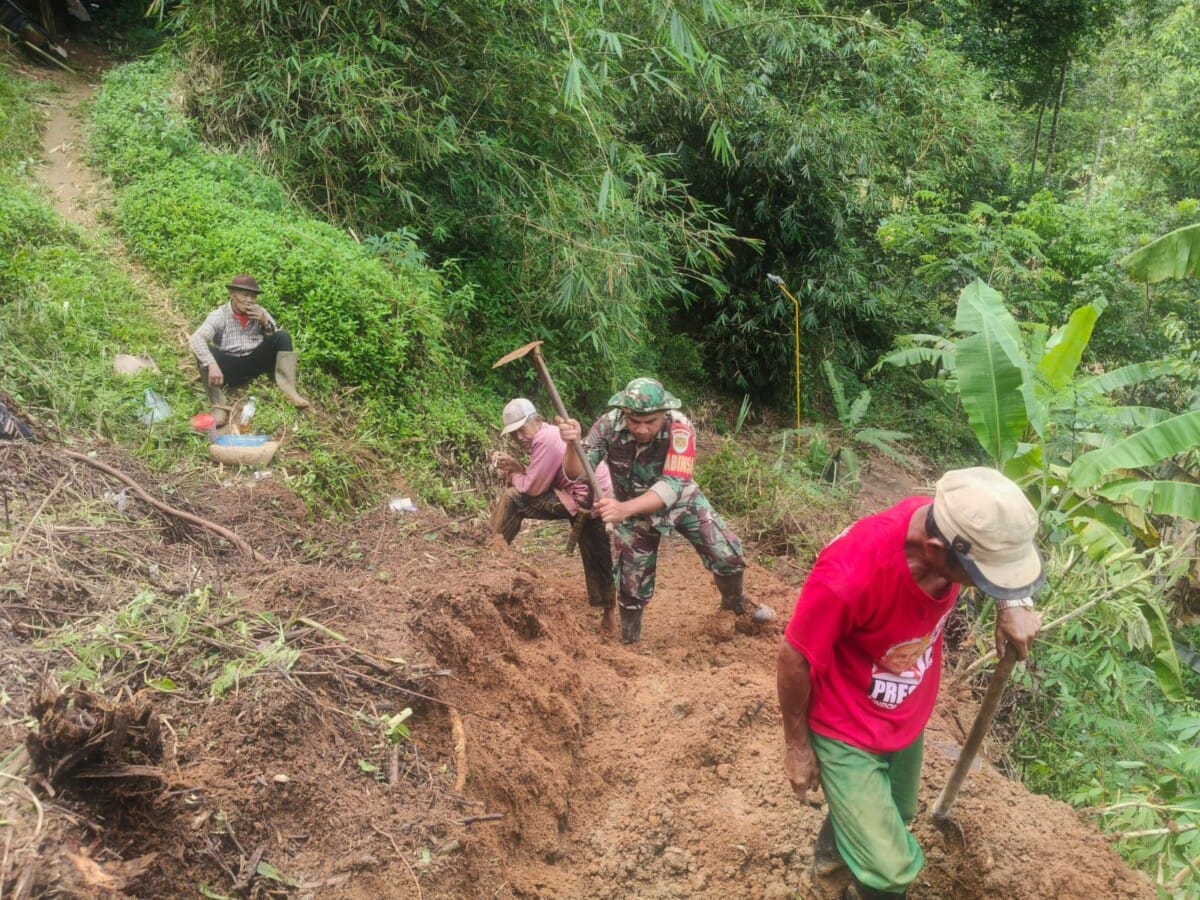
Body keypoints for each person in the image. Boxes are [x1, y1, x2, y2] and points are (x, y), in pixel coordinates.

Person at [776, 467, 1045, 900]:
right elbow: (793, 656)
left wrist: (1014, 600)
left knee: (897, 813)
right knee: (890, 871)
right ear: (936, 549)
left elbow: (998, 542)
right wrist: (797, 746)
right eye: (982, 577)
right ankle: (836, 879)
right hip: (844, 722)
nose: (983, 586)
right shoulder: (849, 575)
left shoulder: (947, 521)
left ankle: (833, 853)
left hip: (904, 711)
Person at [557, 377, 772, 645]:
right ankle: (630, 642)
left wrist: (622, 509)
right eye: (635, 421)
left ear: (664, 413)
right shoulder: (607, 425)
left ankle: (735, 606)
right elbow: (575, 473)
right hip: (632, 512)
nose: (642, 429)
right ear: (624, 413)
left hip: (681, 502)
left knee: (726, 555)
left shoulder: (679, 426)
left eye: (651, 422)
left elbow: (673, 485)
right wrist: (570, 445)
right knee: (630, 582)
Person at [491, 398, 618, 633]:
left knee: (512, 499)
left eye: (522, 429)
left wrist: (513, 475)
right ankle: (608, 610)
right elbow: (538, 478)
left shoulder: (545, 440)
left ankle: (491, 552)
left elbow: (531, 488)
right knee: (596, 548)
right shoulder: (545, 436)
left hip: (586, 498)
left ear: (537, 421)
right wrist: (520, 470)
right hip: (580, 493)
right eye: (513, 434)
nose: (518, 437)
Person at [188, 275, 311, 426]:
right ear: (232, 294)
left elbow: (273, 335)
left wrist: (265, 322)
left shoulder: (260, 312)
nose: (249, 300)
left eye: (253, 297)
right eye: (244, 295)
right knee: (204, 353)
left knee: (283, 336)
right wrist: (212, 365)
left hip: (255, 362)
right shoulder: (219, 316)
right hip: (229, 366)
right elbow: (196, 339)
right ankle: (219, 405)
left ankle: (289, 390)